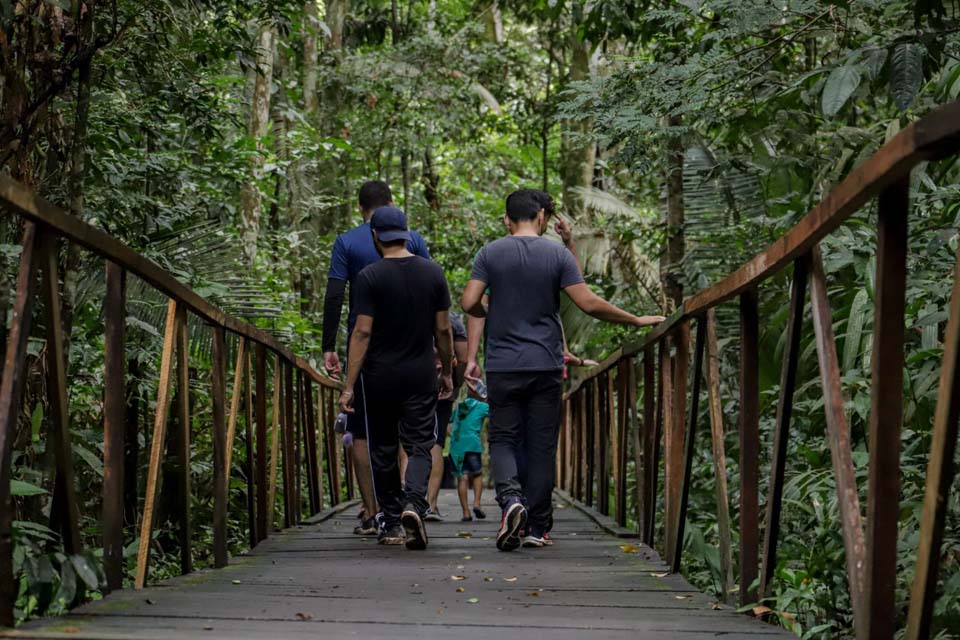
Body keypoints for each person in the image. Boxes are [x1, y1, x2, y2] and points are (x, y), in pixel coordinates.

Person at [461, 189, 664, 551]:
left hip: (505, 366)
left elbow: (469, 302)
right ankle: (538, 527)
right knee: (541, 446)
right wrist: (634, 319)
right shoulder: (557, 253)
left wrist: (491, 312)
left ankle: (510, 500)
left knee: (504, 438)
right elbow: (585, 301)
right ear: (541, 217)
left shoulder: (490, 253)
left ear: (508, 220)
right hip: (547, 365)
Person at [338, 206, 454, 549]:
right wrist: (446, 370)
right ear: (406, 233)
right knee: (420, 443)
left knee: (383, 447)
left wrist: (349, 385)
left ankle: (389, 521)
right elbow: (444, 329)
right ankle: (414, 503)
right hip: (420, 374)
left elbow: (361, 332)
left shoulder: (369, 277)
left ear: (375, 236)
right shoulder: (433, 273)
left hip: (378, 377)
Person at [322, 180, 431, 536]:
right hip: (413, 350)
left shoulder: (346, 242)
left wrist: (329, 346)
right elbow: (430, 293)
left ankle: (375, 512)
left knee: (366, 433)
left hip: (367, 354)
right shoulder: (411, 239)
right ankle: (406, 507)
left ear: (360, 210)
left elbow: (336, 293)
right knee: (408, 435)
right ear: (392, 204)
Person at [424, 312, 469, 520]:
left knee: (406, 439)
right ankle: (430, 505)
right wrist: (454, 385)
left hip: (411, 382)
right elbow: (463, 358)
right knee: (436, 442)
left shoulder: (409, 309)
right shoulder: (453, 321)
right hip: (444, 387)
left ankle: (409, 501)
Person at [449, 391, 489, 521]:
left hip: (457, 447)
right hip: (472, 445)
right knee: (477, 473)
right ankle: (477, 504)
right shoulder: (481, 406)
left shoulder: (459, 407)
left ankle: (466, 513)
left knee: (463, 478)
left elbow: (449, 427)